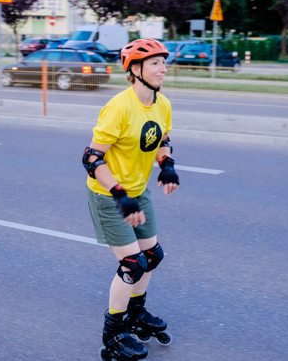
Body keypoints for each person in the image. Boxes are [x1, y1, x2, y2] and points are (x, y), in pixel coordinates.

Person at [83, 38, 180, 361]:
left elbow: (162, 138)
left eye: (163, 63)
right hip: (111, 197)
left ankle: (136, 314)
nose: (163, 69)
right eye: (155, 63)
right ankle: (113, 334)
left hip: (139, 191)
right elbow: (92, 159)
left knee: (152, 255)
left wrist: (167, 166)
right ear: (135, 70)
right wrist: (121, 197)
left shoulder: (162, 104)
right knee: (132, 264)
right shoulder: (119, 107)